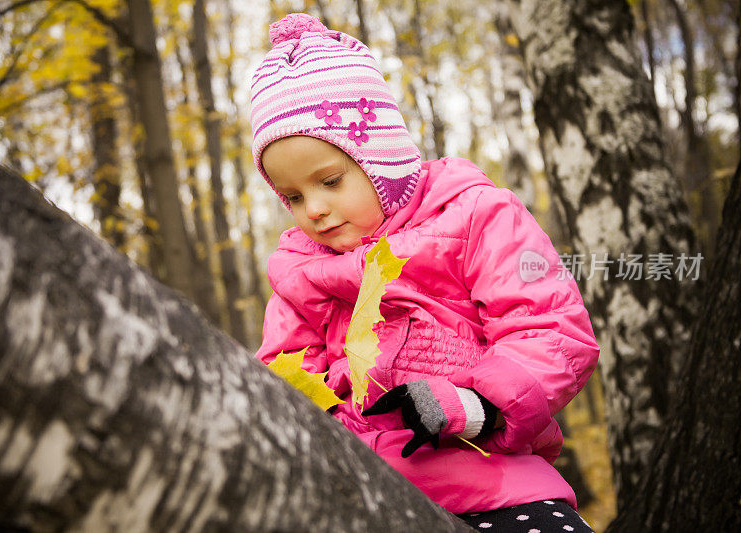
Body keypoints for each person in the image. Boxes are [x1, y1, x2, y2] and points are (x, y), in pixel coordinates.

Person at [251, 13, 599, 531]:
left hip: (494, 482)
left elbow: (550, 329)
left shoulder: (476, 216)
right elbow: (287, 369)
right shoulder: (300, 269)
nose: (315, 210)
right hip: (361, 491)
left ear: (380, 159)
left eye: (330, 180)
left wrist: (477, 404)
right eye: (294, 197)